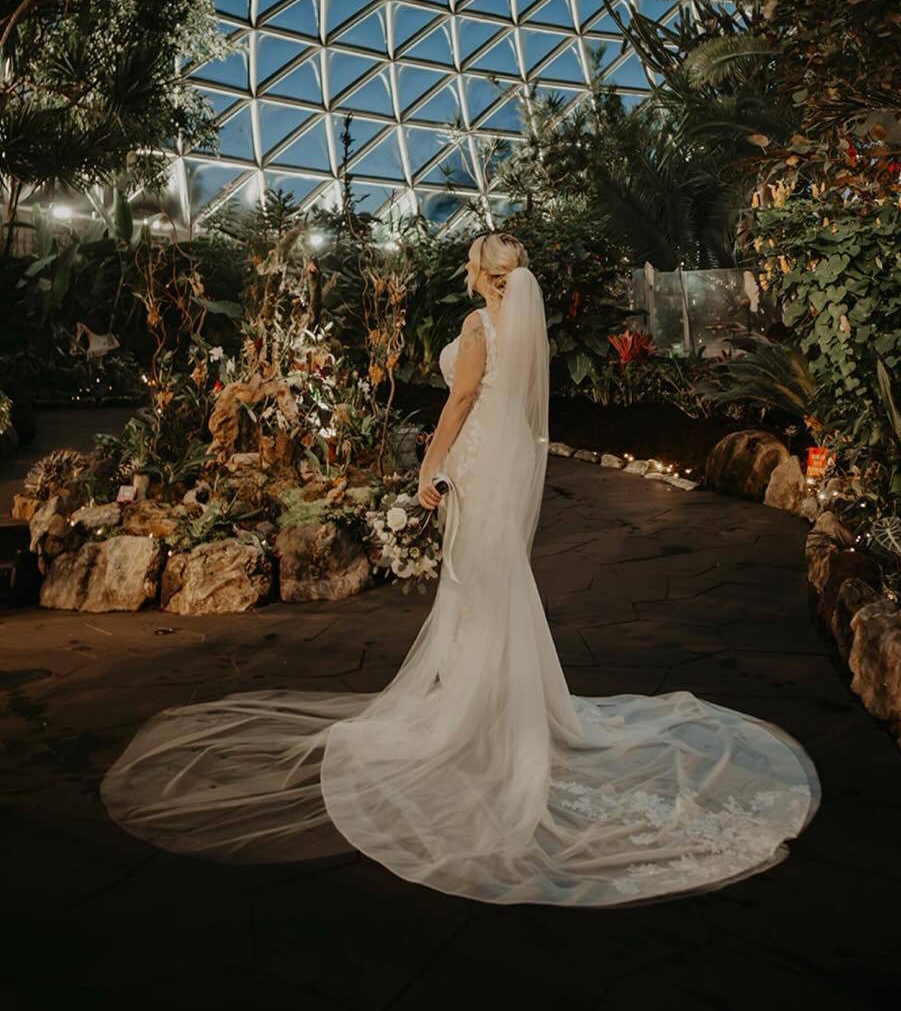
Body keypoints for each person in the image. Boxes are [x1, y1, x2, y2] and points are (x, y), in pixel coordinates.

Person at [101, 232, 819, 906]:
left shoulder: (481, 327)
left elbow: (463, 398)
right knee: (491, 579)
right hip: (502, 452)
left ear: (483, 271)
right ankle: (496, 701)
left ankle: (479, 716)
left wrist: (432, 464)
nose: (465, 270)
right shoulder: (521, 323)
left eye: (471, 261)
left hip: (477, 456)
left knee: (479, 579)